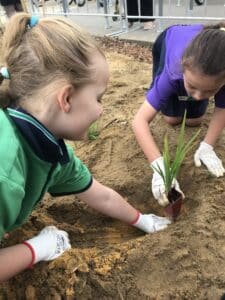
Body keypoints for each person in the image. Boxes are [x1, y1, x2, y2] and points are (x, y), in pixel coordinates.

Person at [0, 13, 171, 282]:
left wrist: (141, 220)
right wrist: (35, 249)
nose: (102, 110)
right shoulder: (5, 171)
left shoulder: (51, 151)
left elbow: (100, 195)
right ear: (66, 98)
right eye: (98, 98)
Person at [132, 23, 225, 207]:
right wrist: (159, 167)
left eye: (209, 91)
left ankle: (195, 88)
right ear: (183, 70)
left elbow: (222, 108)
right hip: (168, 41)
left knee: (195, 120)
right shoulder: (173, 71)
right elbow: (138, 121)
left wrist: (207, 146)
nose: (198, 96)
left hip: (201, 65)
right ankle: (157, 93)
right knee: (171, 119)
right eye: (192, 86)